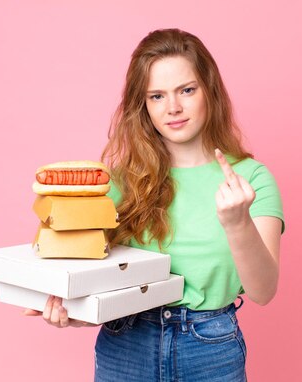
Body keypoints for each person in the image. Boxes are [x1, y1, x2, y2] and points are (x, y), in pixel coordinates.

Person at [24, 28, 284, 381]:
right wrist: (74, 309)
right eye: (157, 96)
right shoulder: (119, 182)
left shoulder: (251, 179)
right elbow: (97, 273)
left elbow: (263, 291)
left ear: (210, 91)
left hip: (209, 348)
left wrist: (238, 222)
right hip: (125, 344)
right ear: (143, 106)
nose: (173, 108)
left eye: (186, 90)